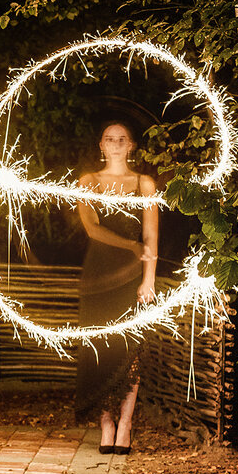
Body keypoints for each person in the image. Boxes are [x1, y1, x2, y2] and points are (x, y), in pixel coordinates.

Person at [75, 121, 158, 455]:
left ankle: (125, 424)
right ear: (101, 145)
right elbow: (93, 230)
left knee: (130, 352)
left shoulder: (144, 184)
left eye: (122, 139)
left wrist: (148, 278)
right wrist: (131, 246)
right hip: (97, 280)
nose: (115, 144)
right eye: (109, 139)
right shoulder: (88, 182)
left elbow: (151, 236)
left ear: (131, 145)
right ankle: (105, 423)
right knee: (99, 351)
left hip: (130, 280)